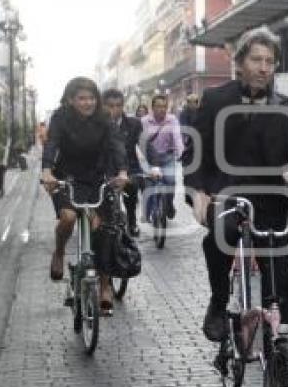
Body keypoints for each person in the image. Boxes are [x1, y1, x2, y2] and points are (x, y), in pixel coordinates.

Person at [185, 26, 288, 342]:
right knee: (221, 236)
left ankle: (281, 347)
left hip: (269, 198)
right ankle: (219, 303)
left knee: (281, 278)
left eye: (270, 61)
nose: (263, 68)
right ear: (239, 63)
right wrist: (197, 192)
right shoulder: (215, 100)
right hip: (225, 192)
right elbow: (195, 152)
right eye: (256, 60)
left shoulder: (286, 108)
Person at [41, 77, 128, 313]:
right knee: (68, 218)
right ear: (71, 99)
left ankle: (104, 285)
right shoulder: (61, 117)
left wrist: (121, 171)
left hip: (96, 178)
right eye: (82, 98)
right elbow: (52, 143)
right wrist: (47, 170)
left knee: (103, 230)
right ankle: (59, 252)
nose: (88, 103)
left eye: (91, 98)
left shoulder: (104, 119)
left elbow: (116, 144)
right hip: (66, 177)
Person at [103, 89, 143, 237]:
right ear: (103, 106)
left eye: (118, 105)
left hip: (129, 168)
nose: (115, 109)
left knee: (132, 188)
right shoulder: (97, 125)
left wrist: (154, 166)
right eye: (110, 105)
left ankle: (132, 220)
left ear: (123, 106)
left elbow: (146, 146)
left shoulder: (134, 124)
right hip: (106, 170)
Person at [140, 94, 183, 221]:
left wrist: (181, 153)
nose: (162, 109)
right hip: (149, 160)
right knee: (149, 187)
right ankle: (149, 213)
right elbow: (140, 141)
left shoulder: (172, 119)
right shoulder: (144, 121)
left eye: (164, 106)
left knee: (170, 182)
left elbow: (177, 138)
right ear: (152, 108)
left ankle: (168, 204)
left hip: (167, 157)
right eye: (158, 106)